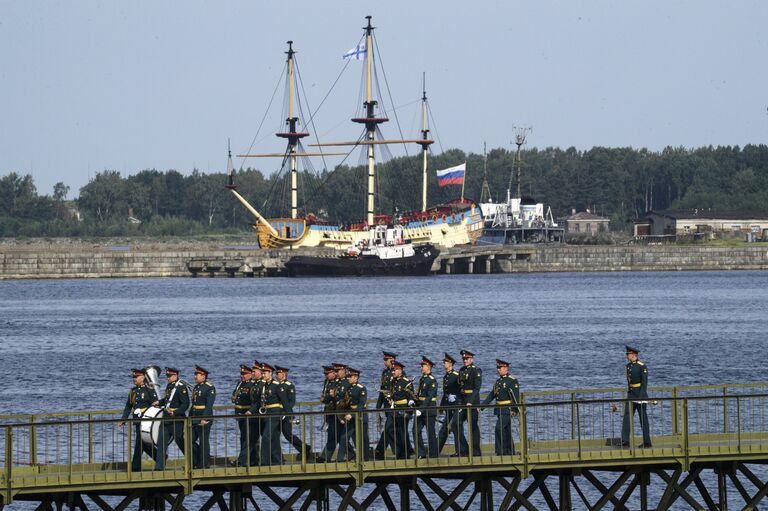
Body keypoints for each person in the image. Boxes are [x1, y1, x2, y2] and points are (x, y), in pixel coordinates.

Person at [120, 368, 159, 472]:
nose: (134, 379)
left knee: (139, 443)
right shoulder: (132, 391)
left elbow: (155, 404)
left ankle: (135, 467)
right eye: (133, 377)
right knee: (143, 443)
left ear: (142, 378)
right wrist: (123, 419)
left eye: (136, 377)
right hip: (137, 420)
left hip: (146, 420)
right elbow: (128, 407)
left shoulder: (149, 389)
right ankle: (160, 457)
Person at [153, 366, 190, 470]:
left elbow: (185, 404)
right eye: (167, 376)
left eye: (169, 376)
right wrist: (159, 402)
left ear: (176, 375)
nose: (167, 378)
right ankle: (159, 468)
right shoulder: (170, 385)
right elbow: (168, 400)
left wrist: (175, 412)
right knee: (161, 442)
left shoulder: (181, 387)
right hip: (166, 418)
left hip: (176, 419)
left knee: (180, 442)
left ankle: (193, 461)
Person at [482, 359, 520, 455]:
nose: (498, 369)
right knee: (506, 431)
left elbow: (515, 396)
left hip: (507, 409)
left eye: (500, 367)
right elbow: (492, 395)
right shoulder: (498, 382)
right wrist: (482, 406)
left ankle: (500, 451)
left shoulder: (512, 381)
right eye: (497, 368)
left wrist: (515, 409)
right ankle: (510, 451)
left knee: (499, 428)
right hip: (499, 409)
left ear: (506, 368)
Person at [276, 366, 312, 459]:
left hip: (286, 414)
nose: (276, 375)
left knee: (288, 435)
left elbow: (292, 402)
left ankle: (305, 448)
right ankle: (278, 456)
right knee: (275, 435)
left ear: (284, 374)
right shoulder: (276, 385)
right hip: (276, 413)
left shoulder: (289, 385)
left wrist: (285, 413)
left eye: (278, 373)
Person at [621, 345, 652, 448]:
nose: (627, 356)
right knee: (627, 417)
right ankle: (625, 440)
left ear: (634, 355)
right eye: (627, 354)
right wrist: (630, 393)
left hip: (640, 395)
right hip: (631, 395)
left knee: (643, 419)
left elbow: (644, 383)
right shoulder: (628, 366)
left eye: (628, 354)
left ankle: (647, 442)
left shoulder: (641, 366)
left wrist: (641, 397)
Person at [259, 363, 288, 465]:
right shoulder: (264, 385)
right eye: (262, 373)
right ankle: (278, 460)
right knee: (274, 438)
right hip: (266, 413)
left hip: (275, 413)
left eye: (265, 373)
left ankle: (265, 462)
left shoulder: (276, 385)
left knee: (266, 437)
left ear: (270, 373)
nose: (263, 375)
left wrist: (289, 414)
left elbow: (284, 401)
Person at [338, 367, 368, 461]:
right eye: (348, 377)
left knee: (362, 439)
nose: (348, 378)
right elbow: (346, 403)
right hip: (349, 416)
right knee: (343, 438)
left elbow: (361, 404)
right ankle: (340, 460)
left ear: (356, 378)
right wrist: (342, 416)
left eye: (350, 377)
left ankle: (364, 458)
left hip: (359, 416)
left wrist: (352, 414)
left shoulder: (361, 388)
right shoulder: (349, 388)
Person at [387, 360, 416, 459]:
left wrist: (410, 407)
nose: (393, 372)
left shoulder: (406, 382)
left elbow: (411, 396)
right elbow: (392, 393)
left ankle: (404, 454)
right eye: (392, 370)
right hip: (394, 409)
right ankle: (399, 451)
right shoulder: (393, 381)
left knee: (402, 432)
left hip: (403, 409)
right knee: (389, 430)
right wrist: (390, 399)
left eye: (395, 370)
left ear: (400, 371)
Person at [437, 353, 463, 456]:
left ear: (451, 364)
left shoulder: (456, 376)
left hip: (456, 405)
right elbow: (445, 393)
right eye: (444, 362)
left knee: (456, 428)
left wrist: (460, 402)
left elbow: (462, 390)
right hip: (449, 406)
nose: (444, 364)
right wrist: (442, 406)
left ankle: (459, 451)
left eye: (445, 362)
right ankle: (435, 451)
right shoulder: (446, 377)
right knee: (444, 428)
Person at [190, 365, 216, 469]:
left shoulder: (209, 387)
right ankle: (199, 459)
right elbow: (194, 404)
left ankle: (204, 463)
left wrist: (204, 418)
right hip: (194, 418)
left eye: (197, 374)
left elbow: (209, 405)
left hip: (204, 418)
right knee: (189, 440)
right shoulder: (196, 387)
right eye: (195, 374)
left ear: (203, 376)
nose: (195, 376)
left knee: (203, 441)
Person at [458, 350, 482, 457]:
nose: (465, 360)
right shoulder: (462, 370)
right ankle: (464, 449)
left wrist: (471, 402)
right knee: (456, 423)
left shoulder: (476, 370)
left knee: (473, 426)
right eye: (463, 359)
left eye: (467, 359)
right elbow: (460, 386)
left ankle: (476, 451)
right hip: (463, 400)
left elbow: (477, 388)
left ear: (472, 359)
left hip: (473, 401)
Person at [373, 351, 397, 459]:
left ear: (392, 360)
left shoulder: (397, 371)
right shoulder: (385, 372)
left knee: (389, 428)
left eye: (386, 360)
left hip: (394, 405)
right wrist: (378, 405)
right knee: (391, 429)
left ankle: (383, 450)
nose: (384, 362)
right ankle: (380, 451)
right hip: (386, 404)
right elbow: (382, 390)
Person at [415, 356, 439, 458]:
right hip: (421, 409)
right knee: (415, 431)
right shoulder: (422, 379)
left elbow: (429, 397)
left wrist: (421, 409)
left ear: (428, 366)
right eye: (421, 366)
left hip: (429, 410)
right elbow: (420, 396)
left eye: (423, 366)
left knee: (431, 434)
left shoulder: (432, 380)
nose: (421, 368)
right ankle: (421, 453)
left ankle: (433, 455)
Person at [232, 364, 255, 466]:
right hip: (240, 414)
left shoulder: (252, 385)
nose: (242, 376)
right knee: (243, 437)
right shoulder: (240, 384)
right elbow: (235, 394)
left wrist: (250, 411)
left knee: (247, 438)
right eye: (241, 373)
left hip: (247, 414)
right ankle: (249, 459)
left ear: (250, 374)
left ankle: (242, 460)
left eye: (244, 374)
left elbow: (253, 400)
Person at [317, 365, 338, 462]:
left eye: (328, 373)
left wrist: (325, 398)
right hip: (328, 410)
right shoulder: (326, 382)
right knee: (333, 434)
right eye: (325, 374)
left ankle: (325, 456)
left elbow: (332, 396)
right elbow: (324, 394)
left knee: (336, 435)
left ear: (334, 373)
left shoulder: (336, 382)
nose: (326, 375)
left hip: (335, 410)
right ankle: (325, 456)